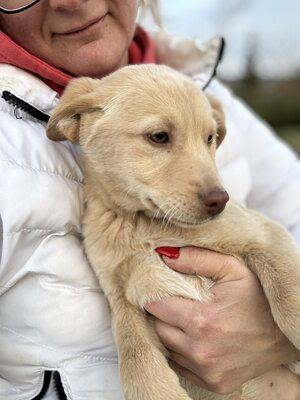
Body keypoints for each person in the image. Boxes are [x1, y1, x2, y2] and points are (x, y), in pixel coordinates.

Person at [0, 1, 299, 399]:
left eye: (210, 138)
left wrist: (276, 334)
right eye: (159, 137)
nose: (70, 0)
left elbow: (280, 232)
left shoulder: (205, 91)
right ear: (73, 123)